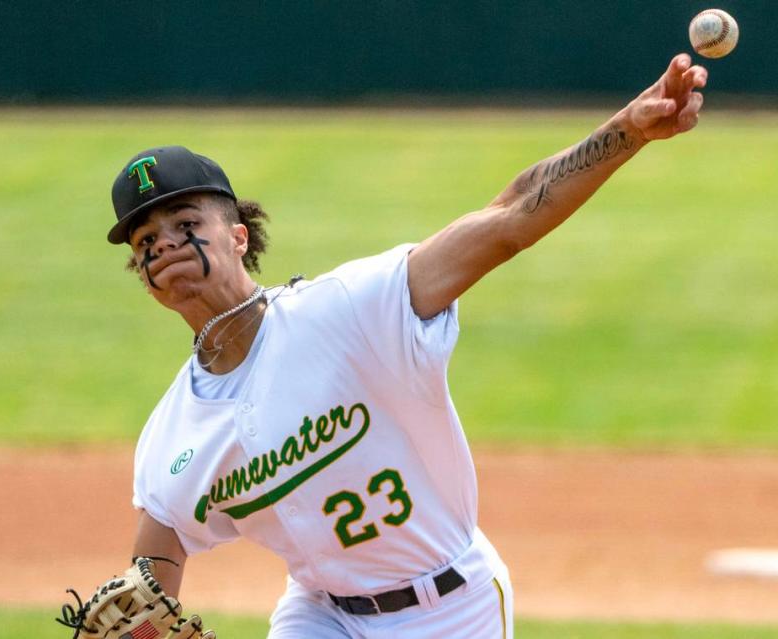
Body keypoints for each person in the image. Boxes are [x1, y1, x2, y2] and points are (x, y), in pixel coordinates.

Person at [109, 54, 707, 639]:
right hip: (321, 615)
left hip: (453, 609)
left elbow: (508, 217)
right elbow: (156, 559)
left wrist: (626, 131)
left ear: (238, 237)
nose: (164, 245)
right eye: (146, 240)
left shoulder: (351, 310)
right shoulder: (174, 432)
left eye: (186, 224)